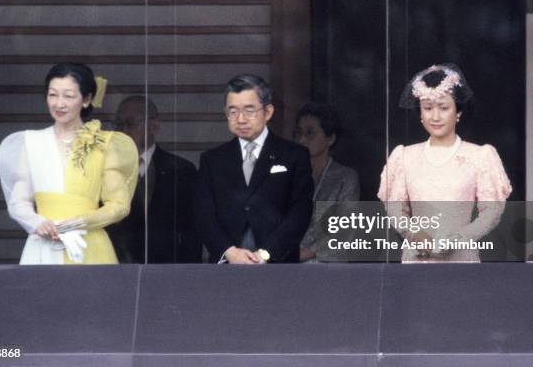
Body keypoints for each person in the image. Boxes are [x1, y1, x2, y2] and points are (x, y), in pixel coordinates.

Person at [0, 63, 138, 264]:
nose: (59, 103)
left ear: (87, 99)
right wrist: (37, 222)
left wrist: (82, 221)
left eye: (68, 96)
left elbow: (118, 205)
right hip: (43, 243)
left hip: (89, 244)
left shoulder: (103, 143)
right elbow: (19, 201)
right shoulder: (31, 142)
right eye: (53, 95)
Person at [378, 63, 512, 263]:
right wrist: (414, 234)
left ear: (458, 111)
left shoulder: (480, 156)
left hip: (460, 259)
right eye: (428, 108)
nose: (435, 116)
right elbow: (396, 207)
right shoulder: (405, 156)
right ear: (420, 113)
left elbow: (491, 211)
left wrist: (459, 238)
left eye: (443, 108)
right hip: (417, 259)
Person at [194, 74, 314, 264]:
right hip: (227, 266)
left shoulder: (294, 155)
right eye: (232, 112)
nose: (240, 119)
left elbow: (300, 211)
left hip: (278, 264)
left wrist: (267, 254)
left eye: (249, 111)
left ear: (268, 112)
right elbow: (204, 214)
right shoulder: (213, 160)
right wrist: (229, 252)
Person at [107, 96, 200, 263]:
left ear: (154, 125)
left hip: (167, 267)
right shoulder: (106, 168)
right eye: (118, 125)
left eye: (129, 123)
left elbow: (192, 230)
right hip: (117, 265)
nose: (122, 131)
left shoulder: (181, 170)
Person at [293, 103, 360, 262]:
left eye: (310, 133)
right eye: (298, 133)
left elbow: (346, 231)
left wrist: (307, 253)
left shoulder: (345, 177)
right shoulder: (290, 174)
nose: (302, 139)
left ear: (330, 138)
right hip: (289, 265)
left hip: (329, 267)